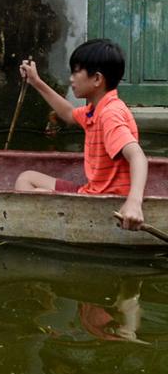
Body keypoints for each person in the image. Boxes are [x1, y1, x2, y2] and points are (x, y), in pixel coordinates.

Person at [14, 39, 148, 231]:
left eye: (76, 72)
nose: (71, 78)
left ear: (97, 79)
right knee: (26, 178)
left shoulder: (109, 114)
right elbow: (69, 114)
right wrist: (36, 82)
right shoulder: (95, 110)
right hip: (91, 190)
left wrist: (134, 202)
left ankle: (46, 232)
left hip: (102, 199)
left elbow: (137, 156)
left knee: (35, 193)